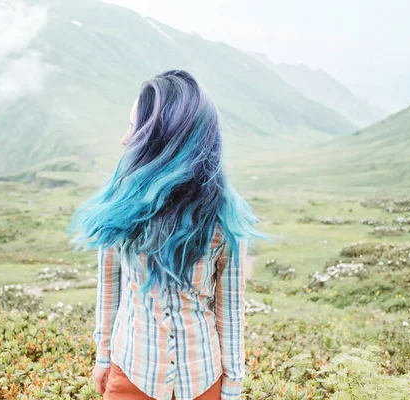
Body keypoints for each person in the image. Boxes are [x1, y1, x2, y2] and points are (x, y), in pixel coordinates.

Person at [68, 70, 268, 400]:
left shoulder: (223, 217)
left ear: (163, 139)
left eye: (134, 127)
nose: (124, 138)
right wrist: (103, 358)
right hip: (129, 375)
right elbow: (110, 286)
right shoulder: (121, 205)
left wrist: (232, 388)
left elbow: (230, 310)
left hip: (202, 382)